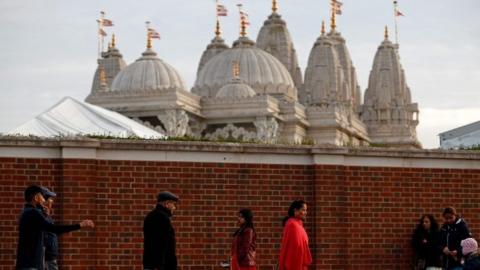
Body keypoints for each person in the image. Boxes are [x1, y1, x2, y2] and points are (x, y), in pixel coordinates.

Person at [15, 185, 95, 270]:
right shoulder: (33, 213)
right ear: (36, 197)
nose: (44, 200)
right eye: (42, 197)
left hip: (29, 264)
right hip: (30, 265)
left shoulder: (27, 212)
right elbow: (53, 229)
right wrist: (80, 225)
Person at [143, 191, 179, 270]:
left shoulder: (150, 216)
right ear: (166, 204)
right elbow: (160, 245)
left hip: (150, 264)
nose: (174, 207)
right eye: (173, 204)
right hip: (161, 266)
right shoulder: (162, 218)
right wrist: (159, 266)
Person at [278, 200, 312, 270]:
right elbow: (295, 250)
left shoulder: (298, 225)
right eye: (303, 210)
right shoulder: (292, 225)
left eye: (306, 210)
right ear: (295, 211)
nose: (306, 213)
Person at [41, 187, 59, 270]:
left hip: (50, 257)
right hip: (45, 258)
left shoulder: (47, 215)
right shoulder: (41, 215)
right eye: (50, 198)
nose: (52, 201)